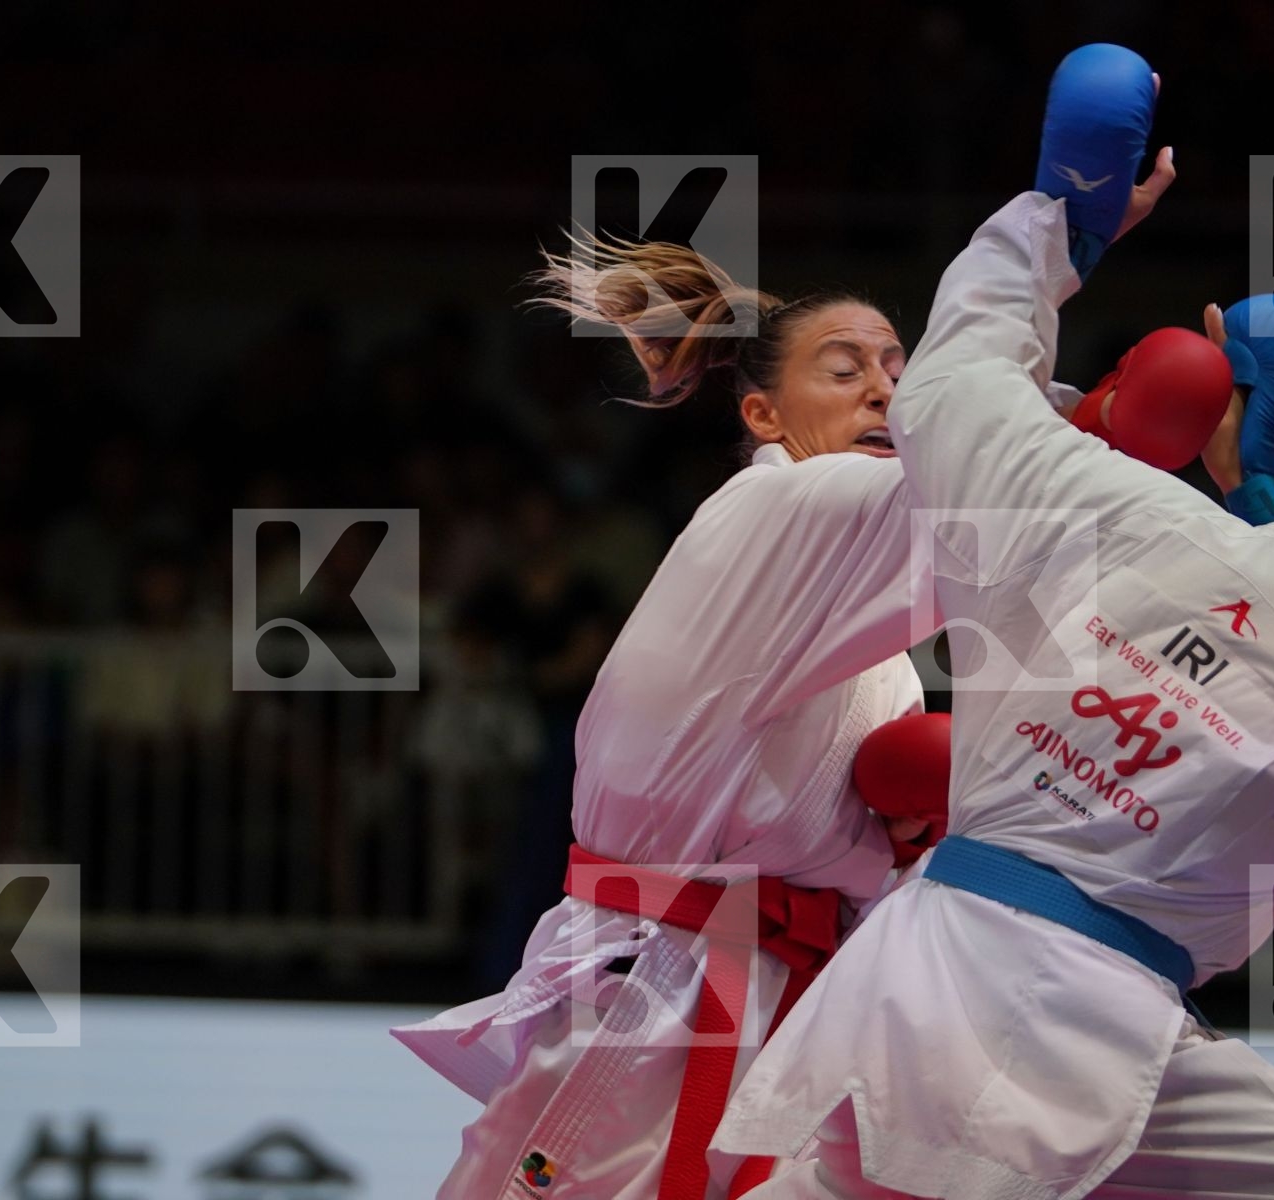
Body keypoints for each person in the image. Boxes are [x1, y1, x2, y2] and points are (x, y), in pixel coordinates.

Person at [712, 48, 1274, 1200]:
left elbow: (952, 387)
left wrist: (1063, 220)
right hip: (1083, 1015)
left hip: (972, 982)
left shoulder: (1118, 509)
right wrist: (1259, 490)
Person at [392, 129, 1193, 1199]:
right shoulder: (784, 507)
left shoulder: (883, 638)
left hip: (808, 1007)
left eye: (902, 373)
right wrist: (1060, 244)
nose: (887, 394)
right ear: (763, 414)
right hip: (662, 994)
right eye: (847, 369)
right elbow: (988, 474)